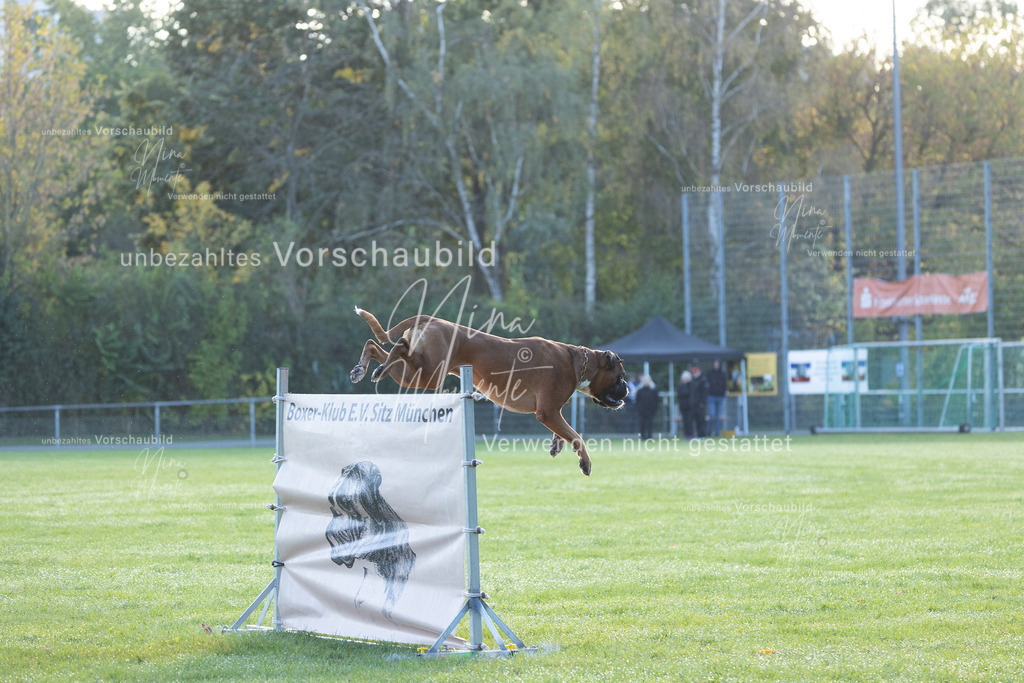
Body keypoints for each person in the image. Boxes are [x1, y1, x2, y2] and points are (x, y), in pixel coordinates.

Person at [706, 358, 727, 437]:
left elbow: (724, 385)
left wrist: (723, 392)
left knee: (718, 416)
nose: (716, 365)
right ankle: (709, 431)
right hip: (711, 396)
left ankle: (717, 433)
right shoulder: (710, 373)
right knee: (712, 414)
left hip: (720, 397)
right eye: (715, 363)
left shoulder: (722, 373)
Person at [635, 375, 659, 440]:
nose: (646, 382)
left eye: (647, 381)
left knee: (650, 424)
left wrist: (654, 409)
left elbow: (656, 400)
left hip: (650, 411)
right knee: (642, 424)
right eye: (645, 381)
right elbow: (637, 401)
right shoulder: (640, 391)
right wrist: (639, 409)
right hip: (642, 411)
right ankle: (642, 436)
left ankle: (649, 437)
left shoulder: (653, 390)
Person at [689, 362, 710, 438]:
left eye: (695, 372)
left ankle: (702, 436)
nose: (694, 374)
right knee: (696, 421)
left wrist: (702, 403)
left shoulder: (703, 381)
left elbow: (704, 393)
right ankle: (698, 436)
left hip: (700, 405)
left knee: (701, 421)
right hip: (694, 404)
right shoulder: (692, 381)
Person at [676, 370, 695, 439]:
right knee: (685, 421)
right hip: (683, 406)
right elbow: (679, 395)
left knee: (689, 421)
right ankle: (686, 435)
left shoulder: (691, 386)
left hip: (690, 406)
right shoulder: (680, 386)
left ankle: (691, 434)